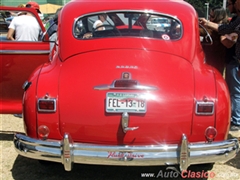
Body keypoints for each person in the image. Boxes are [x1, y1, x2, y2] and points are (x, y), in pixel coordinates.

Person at [199, 0, 240, 131]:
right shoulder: (235, 20)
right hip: (225, 62)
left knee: (235, 92)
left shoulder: (231, 24)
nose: (228, 6)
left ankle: (236, 120)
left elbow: (228, 41)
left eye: (212, 16)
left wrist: (221, 33)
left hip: (231, 61)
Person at [200, 6, 229, 75]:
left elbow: (206, 31)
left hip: (216, 60)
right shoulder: (218, 26)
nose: (210, 18)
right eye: (210, 15)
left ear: (218, 17)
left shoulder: (222, 27)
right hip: (211, 58)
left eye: (212, 16)